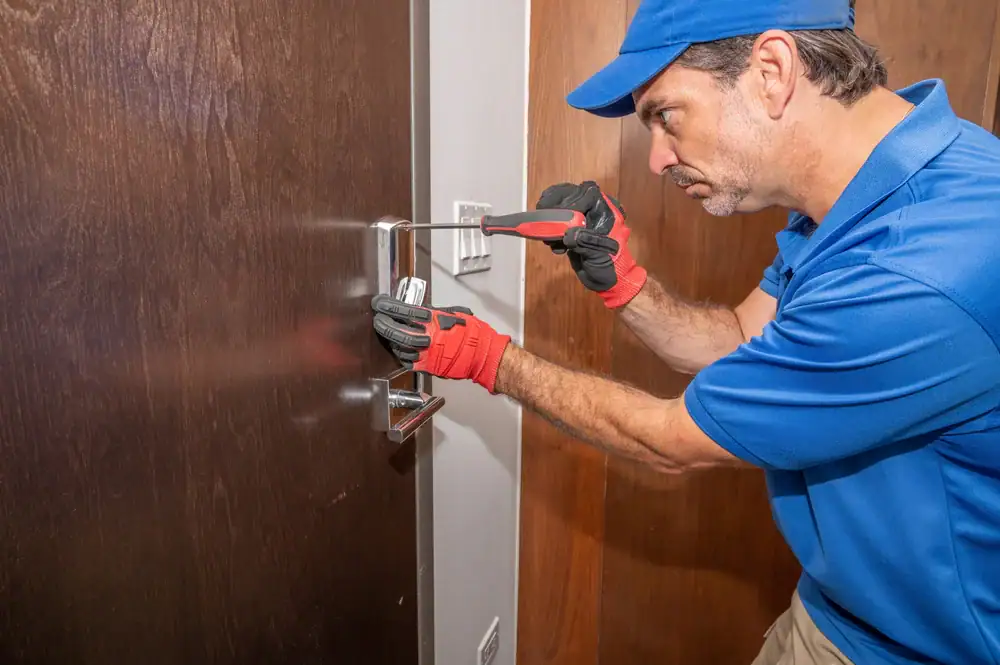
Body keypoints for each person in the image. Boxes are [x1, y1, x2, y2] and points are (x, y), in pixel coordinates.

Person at [371, 0, 1000, 662]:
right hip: (837, 607)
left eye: (665, 117)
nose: (657, 159)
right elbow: (738, 337)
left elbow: (670, 439)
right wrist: (623, 281)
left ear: (772, 70)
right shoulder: (860, 196)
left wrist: (487, 357)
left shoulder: (918, 268)